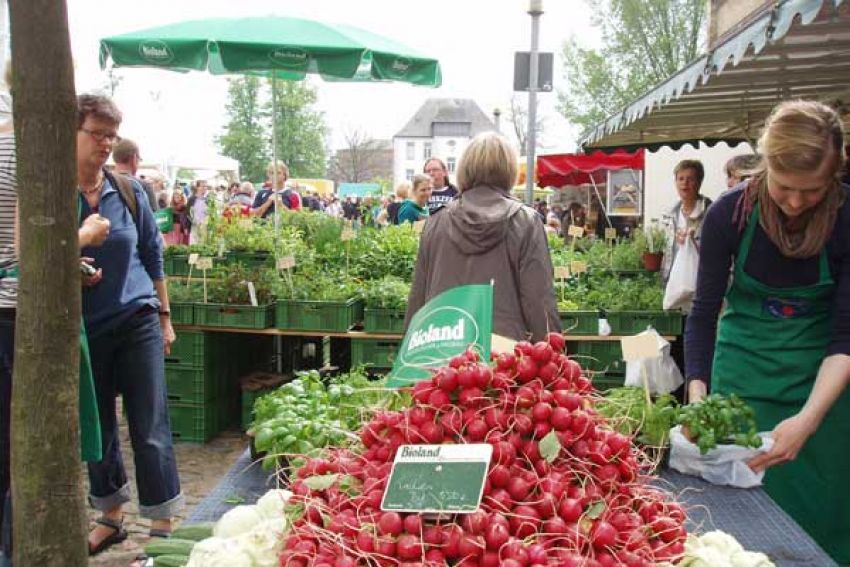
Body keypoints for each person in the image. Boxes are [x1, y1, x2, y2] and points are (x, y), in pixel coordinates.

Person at [685, 100, 850, 563]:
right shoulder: (729, 216)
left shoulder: (847, 220)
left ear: (835, 176)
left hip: (822, 388)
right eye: (784, 188)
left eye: (812, 191)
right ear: (765, 166)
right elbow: (702, 315)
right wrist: (700, 401)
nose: (796, 202)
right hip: (743, 378)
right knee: (739, 525)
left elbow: (846, 335)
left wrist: (809, 420)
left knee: (824, 516)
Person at [75, 94, 182, 555]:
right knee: (97, 425)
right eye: (96, 133)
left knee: (150, 424)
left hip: (137, 316)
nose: (104, 144)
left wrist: (164, 316)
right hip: (85, 329)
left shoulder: (129, 191)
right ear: (72, 132)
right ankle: (111, 515)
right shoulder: (53, 194)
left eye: (111, 136)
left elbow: (152, 256)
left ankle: (161, 523)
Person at [405, 132, 560, 341]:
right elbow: (539, 299)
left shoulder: (435, 222)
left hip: (444, 349)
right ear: (509, 170)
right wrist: (551, 354)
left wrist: (409, 353)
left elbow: (419, 295)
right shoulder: (527, 222)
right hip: (507, 358)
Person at [661, 160, 713, 293]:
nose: (684, 183)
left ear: (699, 182)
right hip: (674, 282)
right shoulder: (669, 214)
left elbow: (720, 250)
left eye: (690, 179)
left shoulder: (711, 212)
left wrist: (693, 242)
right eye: (680, 179)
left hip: (701, 283)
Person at [111, 138, 157, 211]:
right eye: (139, 160)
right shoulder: (144, 186)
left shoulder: (103, 183)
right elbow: (156, 218)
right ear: (134, 158)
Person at [186, 180, 208, 245]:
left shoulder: (207, 199)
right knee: (194, 245)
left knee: (204, 245)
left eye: (206, 186)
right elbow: (187, 213)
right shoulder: (192, 199)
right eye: (203, 186)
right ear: (197, 187)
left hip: (205, 227)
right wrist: (192, 223)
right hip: (194, 226)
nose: (205, 188)